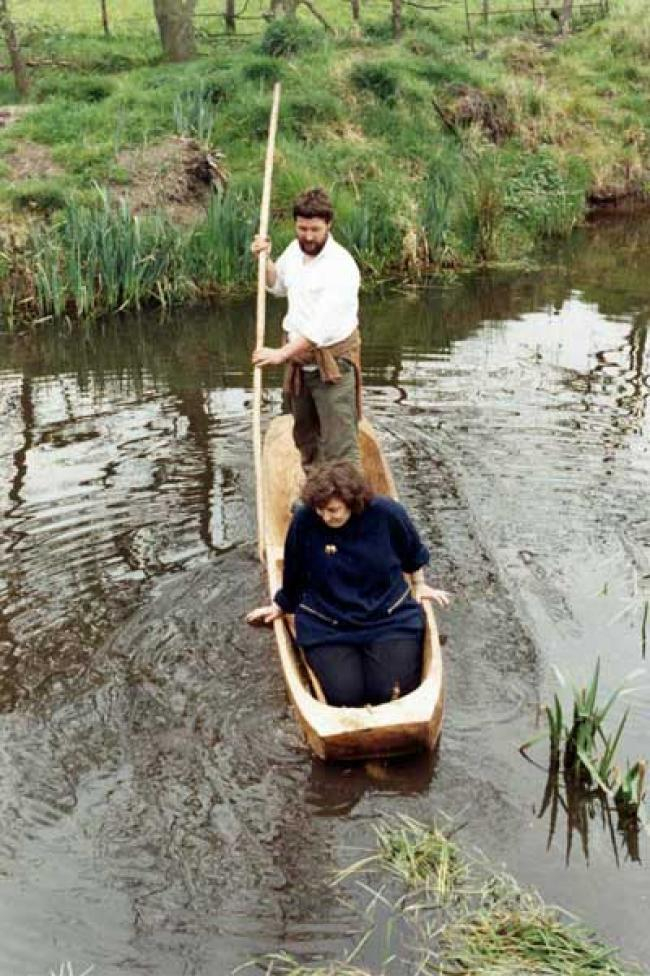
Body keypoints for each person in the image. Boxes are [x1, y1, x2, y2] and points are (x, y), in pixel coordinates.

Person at [246, 461, 450, 707]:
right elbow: (294, 571)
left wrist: (419, 584)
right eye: (320, 510)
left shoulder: (387, 514)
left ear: (352, 502)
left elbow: (412, 553)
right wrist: (281, 605)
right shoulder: (304, 522)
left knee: (387, 693)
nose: (325, 517)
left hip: (387, 617)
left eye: (333, 510)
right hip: (328, 622)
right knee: (345, 698)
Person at [251, 187, 362, 471]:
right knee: (305, 440)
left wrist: (280, 354)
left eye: (315, 229)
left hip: (332, 365)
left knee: (340, 450)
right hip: (300, 363)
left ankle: (347, 507)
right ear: (295, 225)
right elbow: (277, 286)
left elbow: (318, 330)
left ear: (328, 225)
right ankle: (316, 497)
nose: (308, 236)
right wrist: (264, 261)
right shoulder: (294, 250)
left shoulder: (341, 267)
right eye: (302, 228)